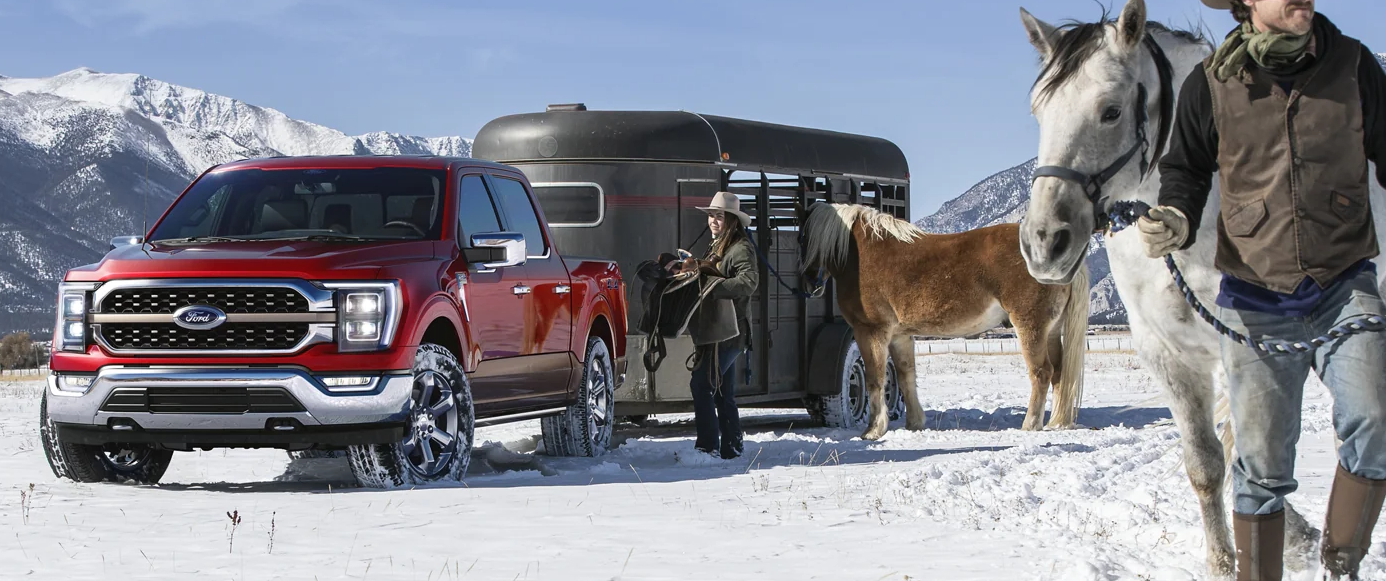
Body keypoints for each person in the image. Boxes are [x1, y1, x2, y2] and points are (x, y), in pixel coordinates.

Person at [1141, 1, 1386, 578]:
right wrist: (1176, 215)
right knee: (1261, 467)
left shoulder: (1354, 67)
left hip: (1345, 281)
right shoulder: (1213, 83)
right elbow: (1186, 167)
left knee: (1376, 423)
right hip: (1256, 295)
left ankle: (1340, 564)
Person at [672, 191, 759, 459]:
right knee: (721, 390)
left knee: (702, 384)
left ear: (732, 220)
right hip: (721, 330)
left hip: (732, 331)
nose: (712, 221)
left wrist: (712, 287)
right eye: (711, 215)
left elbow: (749, 282)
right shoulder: (719, 245)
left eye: (719, 216)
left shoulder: (740, 248)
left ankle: (707, 447)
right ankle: (732, 446)